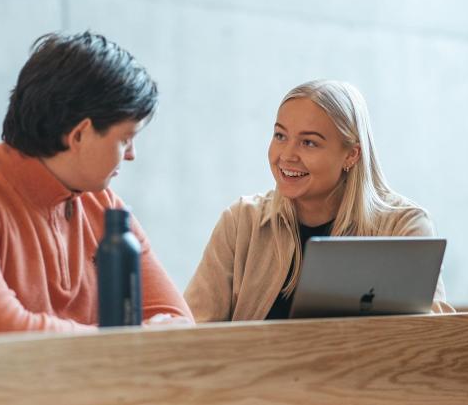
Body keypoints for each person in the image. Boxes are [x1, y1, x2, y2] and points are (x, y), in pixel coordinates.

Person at [0, 31, 192, 341]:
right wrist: (128, 338)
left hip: (71, 389)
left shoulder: (103, 205)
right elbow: (4, 338)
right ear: (80, 134)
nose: (131, 155)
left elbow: (178, 324)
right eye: (125, 138)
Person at [184, 80, 453, 322]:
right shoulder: (241, 221)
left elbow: (430, 335)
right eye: (280, 136)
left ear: (351, 155)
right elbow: (195, 327)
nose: (286, 155)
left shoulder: (404, 226)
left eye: (309, 143)